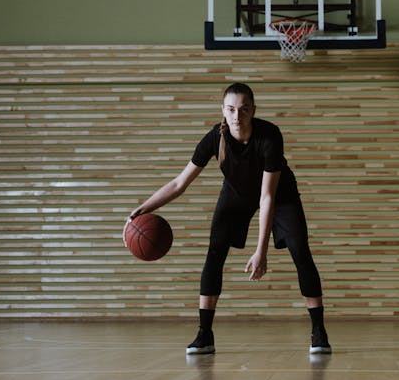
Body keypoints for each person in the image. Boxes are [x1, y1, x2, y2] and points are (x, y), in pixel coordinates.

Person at [125, 82, 331, 358]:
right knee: (215, 250)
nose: (237, 115)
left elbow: (267, 197)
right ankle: (204, 334)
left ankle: (319, 330)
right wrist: (141, 209)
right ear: (223, 110)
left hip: (280, 194)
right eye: (231, 109)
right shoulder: (214, 138)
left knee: (299, 249)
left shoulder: (269, 136)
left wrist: (261, 252)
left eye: (244, 109)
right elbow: (179, 183)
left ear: (253, 111)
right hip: (237, 192)